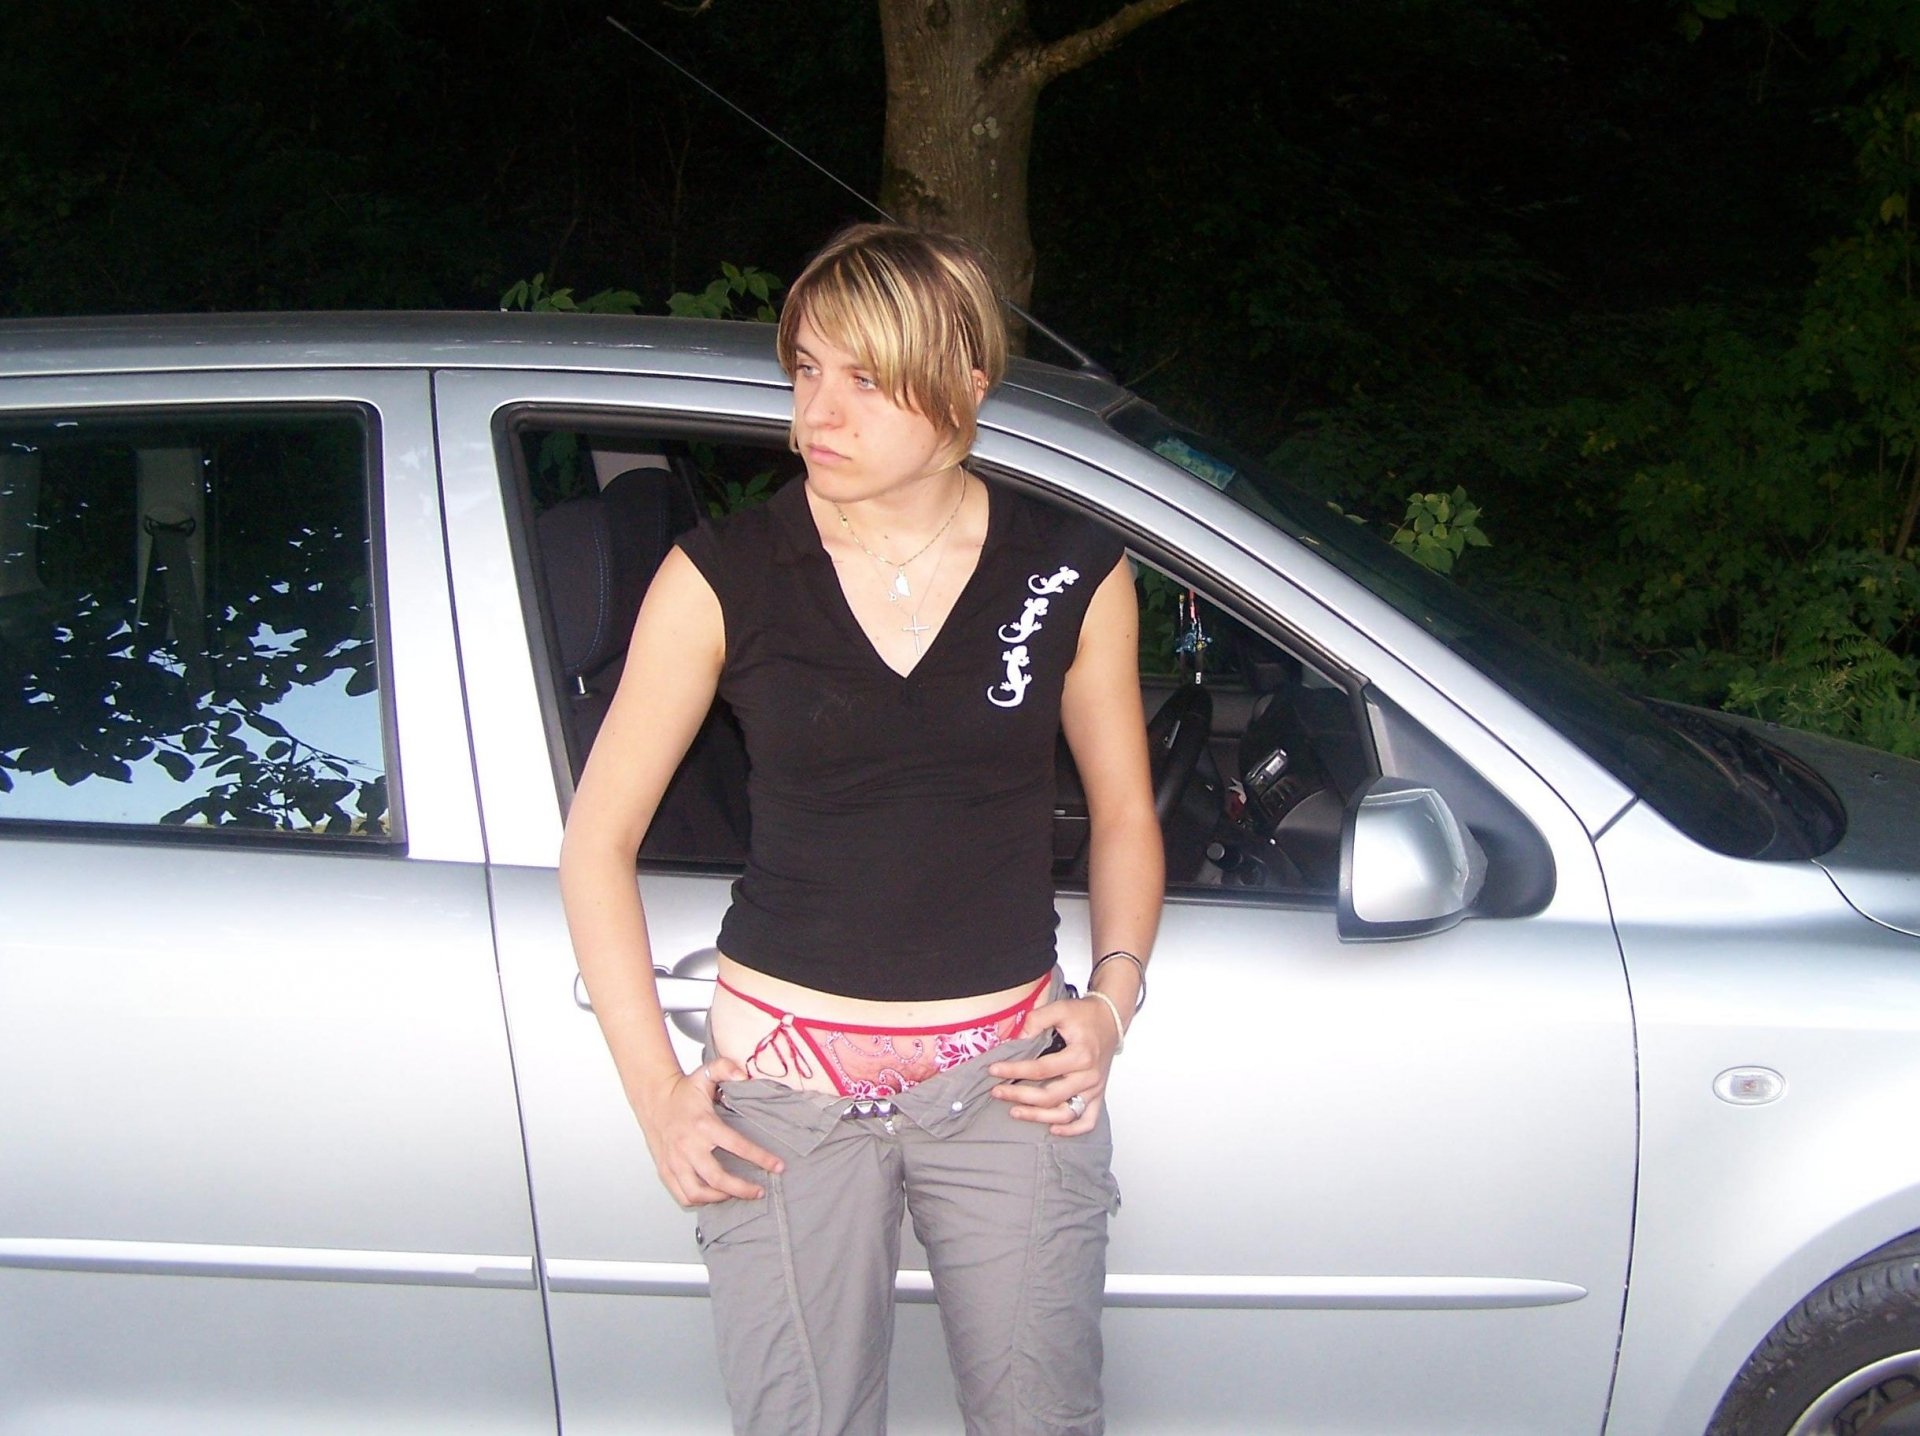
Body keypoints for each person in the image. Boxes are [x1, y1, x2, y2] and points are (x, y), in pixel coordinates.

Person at [559, 222, 1163, 1436]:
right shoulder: (723, 573)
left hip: (1009, 1080)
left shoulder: (1069, 571)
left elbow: (1126, 814)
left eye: (867, 380)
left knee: (1043, 1420)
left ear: (964, 387)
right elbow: (596, 844)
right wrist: (659, 1093)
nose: (815, 414)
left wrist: (1110, 1000)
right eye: (806, 369)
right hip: (782, 1089)